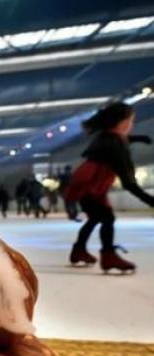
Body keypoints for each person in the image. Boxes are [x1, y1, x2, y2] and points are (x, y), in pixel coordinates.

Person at [64, 102, 154, 272]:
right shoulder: (115, 144)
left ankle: (79, 250)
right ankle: (108, 256)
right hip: (90, 188)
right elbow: (128, 183)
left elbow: (121, 140)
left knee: (96, 218)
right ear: (122, 122)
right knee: (107, 218)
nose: (132, 125)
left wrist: (139, 138)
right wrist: (150, 200)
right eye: (131, 120)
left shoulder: (106, 137)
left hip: (88, 188)